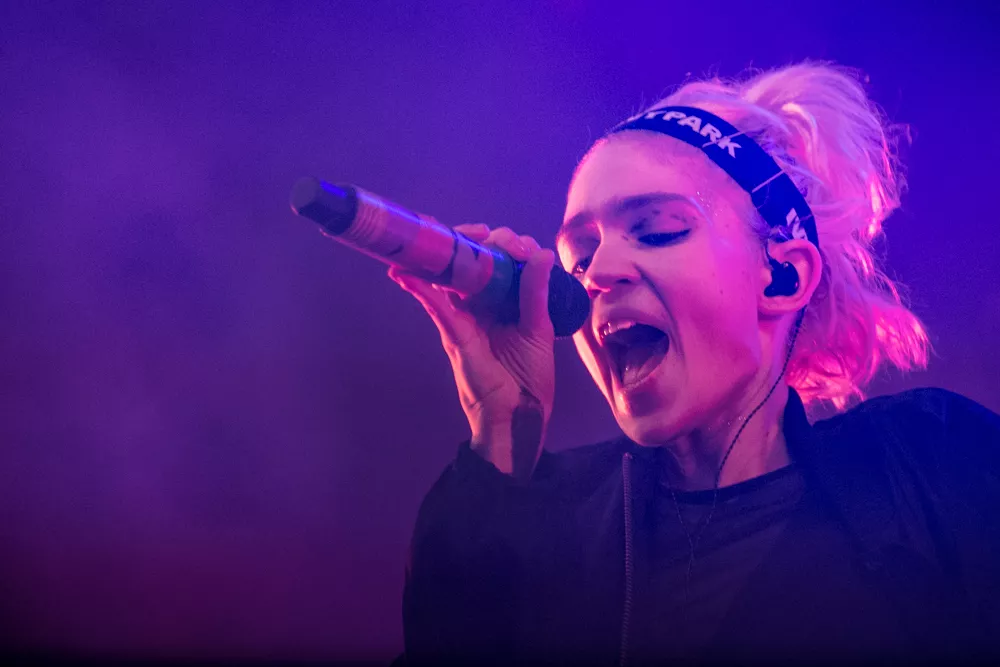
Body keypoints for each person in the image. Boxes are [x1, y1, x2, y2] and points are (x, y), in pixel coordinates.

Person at [387, 62, 1000, 666]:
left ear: (783, 276)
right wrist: (500, 433)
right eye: (580, 255)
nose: (597, 274)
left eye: (656, 231)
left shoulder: (932, 463)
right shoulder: (544, 521)